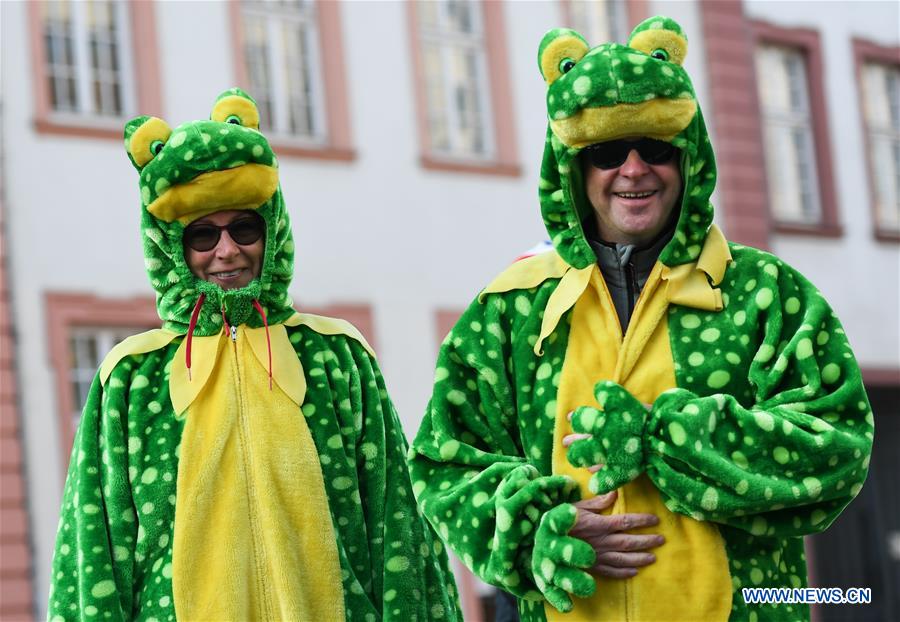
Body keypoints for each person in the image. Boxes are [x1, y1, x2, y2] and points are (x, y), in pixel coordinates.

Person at [408, 16, 873, 622]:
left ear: (687, 159)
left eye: (654, 148)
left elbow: (837, 445)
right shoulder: (510, 308)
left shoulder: (762, 290)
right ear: (573, 166)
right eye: (606, 151)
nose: (633, 170)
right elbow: (445, 462)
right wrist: (534, 529)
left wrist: (668, 439)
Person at [48, 88, 459, 621]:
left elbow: (398, 527)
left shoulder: (337, 355)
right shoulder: (131, 376)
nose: (226, 250)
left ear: (273, 228)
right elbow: (94, 554)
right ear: (170, 244)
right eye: (201, 234)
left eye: (245, 227)